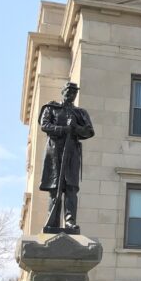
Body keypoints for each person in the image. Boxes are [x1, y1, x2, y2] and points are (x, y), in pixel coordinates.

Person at [39, 81, 94, 234]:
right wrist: (64, 129)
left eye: (74, 92)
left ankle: (70, 222)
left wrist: (75, 128)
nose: (71, 94)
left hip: (72, 153)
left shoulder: (80, 113)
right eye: (68, 91)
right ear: (62, 91)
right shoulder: (51, 109)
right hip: (55, 152)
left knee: (71, 188)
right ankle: (54, 222)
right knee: (54, 188)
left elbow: (89, 131)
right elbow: (44, 125)